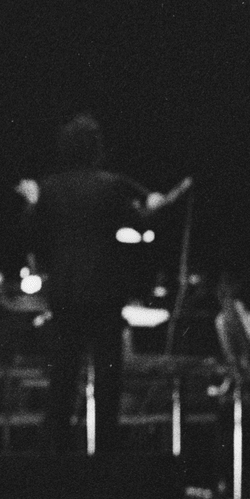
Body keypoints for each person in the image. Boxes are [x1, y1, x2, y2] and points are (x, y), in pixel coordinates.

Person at [15, 114, 166, 454]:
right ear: (96, 148)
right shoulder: (111, 185)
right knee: (108, 377)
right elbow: (139, 220)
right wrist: (155, 205)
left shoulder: (51, 187)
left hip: (66, 292)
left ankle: (57, 457)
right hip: (104, 292)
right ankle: (106, 457)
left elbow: (31, 231)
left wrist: (32, 200)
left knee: (63, 377)